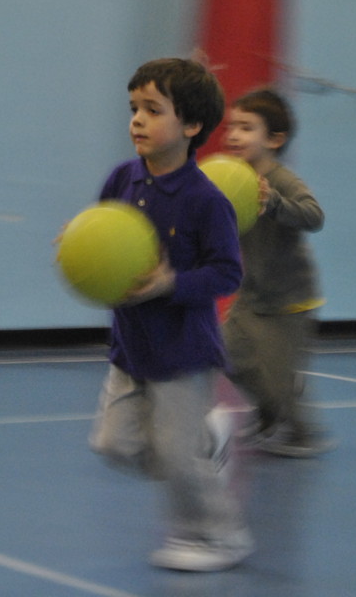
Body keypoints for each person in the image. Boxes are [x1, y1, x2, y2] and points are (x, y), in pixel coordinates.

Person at [86, 57, 253, 572]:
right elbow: (101, 237)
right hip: (130, 346)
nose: (137, 119)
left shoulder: (207, 201)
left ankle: (220, 536)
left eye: (152, 110)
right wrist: (79, 252)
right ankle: (208, 439)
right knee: (114, 445)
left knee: (177, 459)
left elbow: (227, 274)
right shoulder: (121, 180)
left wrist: (170, 283)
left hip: (183, 351)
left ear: (191, 126)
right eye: (134, 108)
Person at [221, 87, 332, 458]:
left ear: (275, 139)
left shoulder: (281, 180)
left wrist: (275, 204)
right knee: (223, 353)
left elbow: (314, 215)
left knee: (279, 382)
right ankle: (269, 412)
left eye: (246, 128)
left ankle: (303, 433)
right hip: (251, 295)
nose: (234, 135)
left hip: (289, 300)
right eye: (232, 127)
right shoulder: (231, 177)